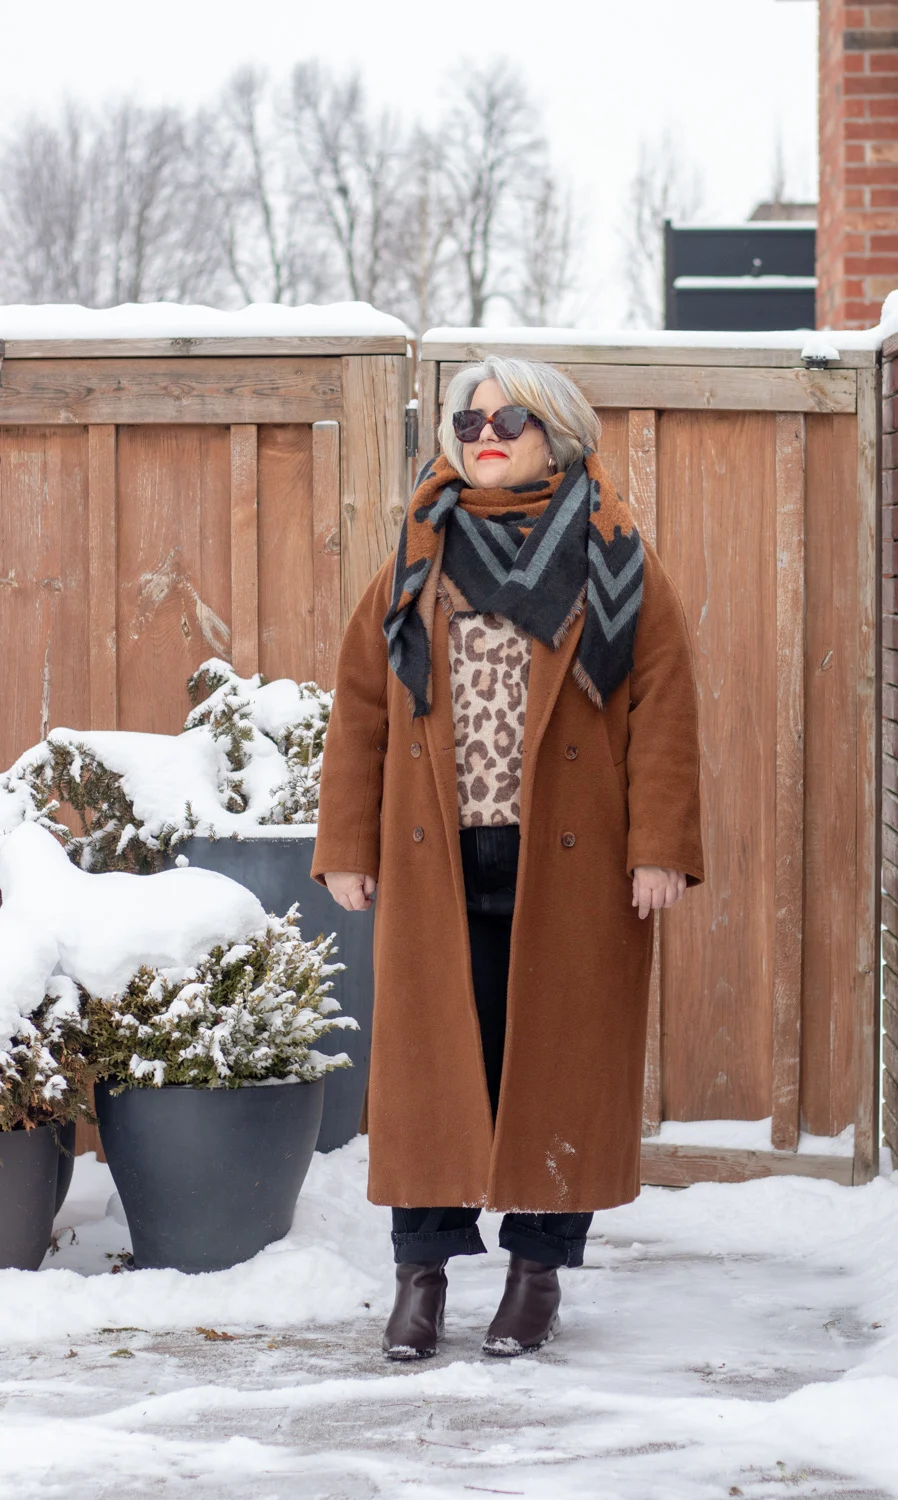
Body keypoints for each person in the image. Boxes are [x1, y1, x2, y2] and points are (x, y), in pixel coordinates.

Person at [311, 355, 704, 1360]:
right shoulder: (417, 551)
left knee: (557, 1071)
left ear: (557, 433)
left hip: (569, 866)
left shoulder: (616, 556)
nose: (486, 433)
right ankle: (421, 1276)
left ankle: (536, 1275)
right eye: (470, 418)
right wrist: (346, 844)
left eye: (510, 418)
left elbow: (660, 704)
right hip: (432, 860)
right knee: (432, 1072)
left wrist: (658, 846)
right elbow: (360, 707)